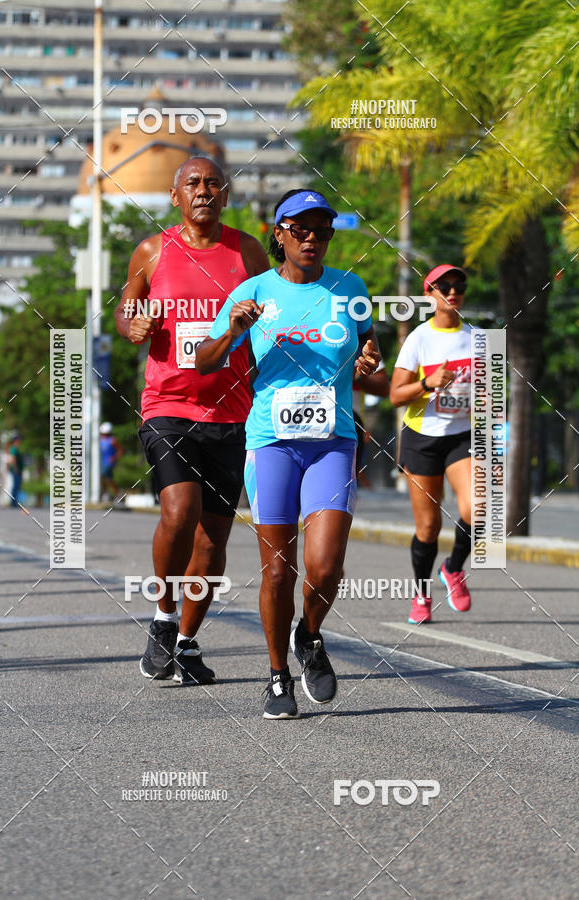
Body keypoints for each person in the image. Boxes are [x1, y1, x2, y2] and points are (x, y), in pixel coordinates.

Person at [197, 189, 380, 719]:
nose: (312, 239)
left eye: (322, 230)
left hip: (333, 442)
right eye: (299, 229)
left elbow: (369, 347)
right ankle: (278, 676)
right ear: (278, 233)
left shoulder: (350, 288)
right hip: (271, 442)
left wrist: (369, 360)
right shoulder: (252, 292)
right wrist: (234, 329)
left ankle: (311, 634)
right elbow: (206, 363)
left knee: (324, 566)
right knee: (279, 572)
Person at [114, 156, 268, 686]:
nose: (203, 191)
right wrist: (135, 325)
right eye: (193, 184)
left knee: (212, 542)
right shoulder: (152, 251)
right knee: (180, 512)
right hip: (168, 405)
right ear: (175, 196)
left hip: (232, 410)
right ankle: (161, 617)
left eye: (213, 184)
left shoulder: (246, 250)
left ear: (225, 196)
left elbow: (277, 308)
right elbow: (126, 308)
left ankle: (186, 641)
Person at [390, 264, 473, 624]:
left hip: (461, 436)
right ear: (430, 294)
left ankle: (453, 569)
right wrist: (428, 383)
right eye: (444, 286)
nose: (452, 292)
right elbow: (395, 395)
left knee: (478, 508)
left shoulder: (478, 338)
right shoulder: (419, 339)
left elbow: (491, 395)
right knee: (428, 528)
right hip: (422, 439)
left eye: (458, 286)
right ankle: (421, 594)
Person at [352, 368, 390, 486]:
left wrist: (355, 374)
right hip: (296, 427)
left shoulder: (363, 348)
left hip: (349, 425)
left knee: (342, 491)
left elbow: (384, 388)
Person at [99, 422, 123, 500]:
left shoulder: (112, 440)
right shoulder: (100, 440)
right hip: (101, 462)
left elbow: (121, 450)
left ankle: (107, 493)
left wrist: (114, 458)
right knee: (109, 479)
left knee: (102, 477)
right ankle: (117, 494)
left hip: (108, 463)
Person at [8, 432, 24, 507]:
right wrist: (15, 468)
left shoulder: (16, 448)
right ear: (15, 440)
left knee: (17, 486)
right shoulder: (14, 448)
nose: (20, 440)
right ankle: (13, 503)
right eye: (18, 439)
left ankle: (14, 502)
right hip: (16, 470)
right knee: (15, 486)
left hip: (18, 470)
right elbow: (13, 459)